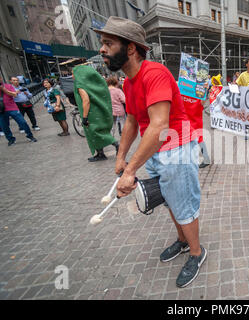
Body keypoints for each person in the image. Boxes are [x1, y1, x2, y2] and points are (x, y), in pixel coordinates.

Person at [95, 16, 206, 288]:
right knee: (169, 200)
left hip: (177, 148)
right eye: (102, 44)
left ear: (131, 48)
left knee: (184, 204)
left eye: (108, 43)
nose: (102, 49)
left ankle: (196, 252)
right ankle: (182, 242)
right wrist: (121, 158)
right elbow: (132, 121)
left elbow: (159, 124)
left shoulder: (153, 73)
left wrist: (131, 170)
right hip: (157, 150)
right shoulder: (130, 82)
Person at [73, 65, 119, 162]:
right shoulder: (91, 84)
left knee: (95, 133)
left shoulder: (80, 85)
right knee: (98, 132)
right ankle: (100, 153)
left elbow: (86, 101)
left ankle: (116, 145)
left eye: (73, 74)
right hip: (98, 112)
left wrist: (85, 118)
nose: (72, 76)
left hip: (90, 114)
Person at [0, 76, 37, 146]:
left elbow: (15, 95)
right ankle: (11, 140)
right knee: (4, 126)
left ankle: (30, 136)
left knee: (22, 122)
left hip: (12, 108)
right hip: (1, 110)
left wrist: (4, 90)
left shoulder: (8, 86)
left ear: (1, 78)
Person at [181, 95, 211, 169]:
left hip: (186, 119)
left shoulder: (182, 91)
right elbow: (203, 102)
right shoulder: (199, 93)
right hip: (196, 119)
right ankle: (205, 158)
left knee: (186, 138)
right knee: (199, 139)